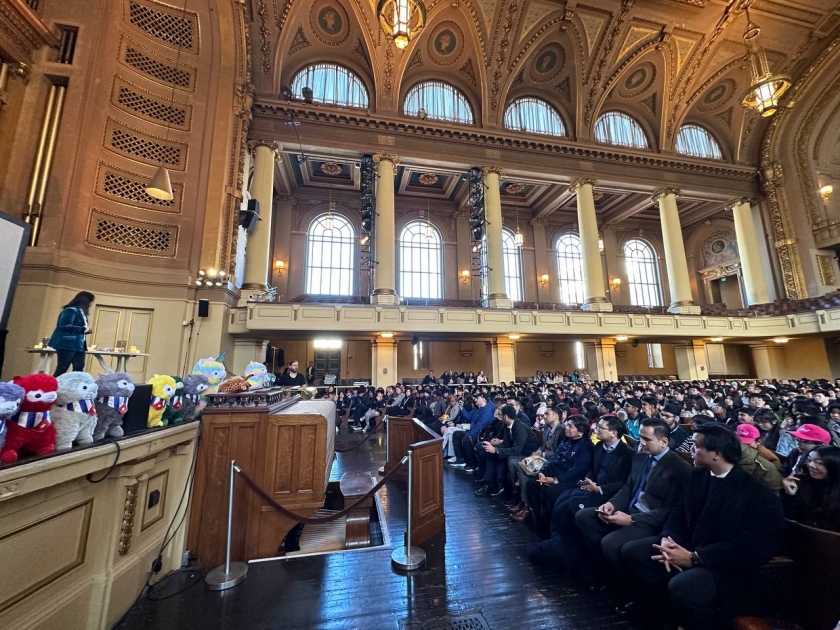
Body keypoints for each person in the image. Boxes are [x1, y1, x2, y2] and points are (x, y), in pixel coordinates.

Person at [619, 425, 784, 630]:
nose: (691, 450)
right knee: (634, 552)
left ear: (717, 454)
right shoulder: (698, 476)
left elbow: (751, 547)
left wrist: (695, 557)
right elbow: (678, 514)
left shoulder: (755, 493)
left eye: (697, 446)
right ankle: (659, 616)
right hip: (688, 546)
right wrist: (668, 539)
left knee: (686, 584)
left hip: (725, 567)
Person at [574, 419, 692, 585]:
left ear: (664, 442)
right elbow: (628, 487)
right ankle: (603, 569)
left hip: (649, 520)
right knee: (583, 516)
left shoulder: (679, 468)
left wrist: (632, 519)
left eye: (647, 439)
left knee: (610, 543)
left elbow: (669, 511)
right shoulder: (640, 457)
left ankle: (621, 585)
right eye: (640, 438)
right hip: (629, 509)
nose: (641, 443)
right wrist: (611, 504)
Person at [475, 405, 539, 497]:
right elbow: (506, 444)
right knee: (490, 452)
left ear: (505, 416)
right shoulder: (507, 425)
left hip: (527, 453)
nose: (500, 417)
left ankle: (500, 486)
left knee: (503, 456)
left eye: (501, 415)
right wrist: (492, 447)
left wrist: (496, 450)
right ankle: (489, 484)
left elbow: (516, 450)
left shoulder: (521, 428)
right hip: (518, 450)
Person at [782, 445, 840, 532]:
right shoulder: (799, 481)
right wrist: (790, 495)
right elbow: (787, 515)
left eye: (819, 463)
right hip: (798, 533)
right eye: (809, 460)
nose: (811, 465)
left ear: (834, 465)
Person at [48, 291, 95, 377]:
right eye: (91, 301)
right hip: (67, 343)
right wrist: (83, 329)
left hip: (79, 345)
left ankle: (75, 384)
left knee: (79, 368)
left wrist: (86, 330)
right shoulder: (70, 310)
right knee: (62, 368)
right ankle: (54, 384)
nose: (91, 304)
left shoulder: (82, 312)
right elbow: (63, 325)